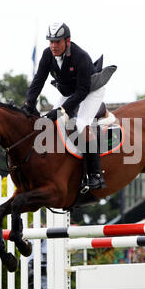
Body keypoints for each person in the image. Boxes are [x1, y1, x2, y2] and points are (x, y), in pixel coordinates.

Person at [22, 22, 116, 190]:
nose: (53, 46)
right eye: (51, 41)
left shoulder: (80, 56)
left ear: (67, 41)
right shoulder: (47, 55)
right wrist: (29, 102)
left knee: (81, 125)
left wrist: (62, 110)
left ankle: (95, 175)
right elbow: (38, 80)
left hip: (91, 90)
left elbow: (82, 91)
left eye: (57, 42)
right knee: (51, 122)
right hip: (72, 90)